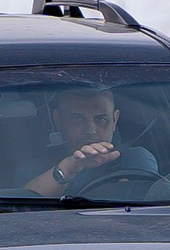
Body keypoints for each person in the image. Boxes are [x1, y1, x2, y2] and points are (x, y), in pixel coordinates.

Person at [17, 83, 158, 195]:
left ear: (114, 120)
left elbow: (149, 207)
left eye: (101, 119)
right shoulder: (35, 169)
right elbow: (18, 207)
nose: (90, 130)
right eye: (77, 118)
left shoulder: (134, 159)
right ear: (58, 120)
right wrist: (68, 168)